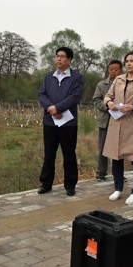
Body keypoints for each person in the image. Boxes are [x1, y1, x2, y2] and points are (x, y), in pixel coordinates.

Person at [103, 52, 133, 204]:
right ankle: (118, 188)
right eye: (126, 61)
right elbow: (107, 95)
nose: (129, 64)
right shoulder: (118, 79)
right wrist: (109, 102)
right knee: (116, 157)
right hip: (116, 123)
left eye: (132, 61)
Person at [38, 47, 85, 196]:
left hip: (68, 123)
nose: (59, 59)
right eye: (57, 56)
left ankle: (70, 185)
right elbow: (42, 94)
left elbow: (75, 97)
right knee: (49, 153)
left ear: (69, 60)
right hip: (50, 121)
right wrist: (51, 108)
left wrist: (58, 108)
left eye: (62, 56)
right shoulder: (48, 76)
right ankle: (46, 184)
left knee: (69, 154)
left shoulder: (77, 77)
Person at [92, 60, 122, 181]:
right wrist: (107, 107)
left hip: (119, 118)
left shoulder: (124, 84)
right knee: (103, 147)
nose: (113, 71)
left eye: (116, 69)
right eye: (111, 69)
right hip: (105, 119)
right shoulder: (101, 84)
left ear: (120, 70)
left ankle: (118, 173)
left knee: (118, 148)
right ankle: (101, 172)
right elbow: (96, 99)